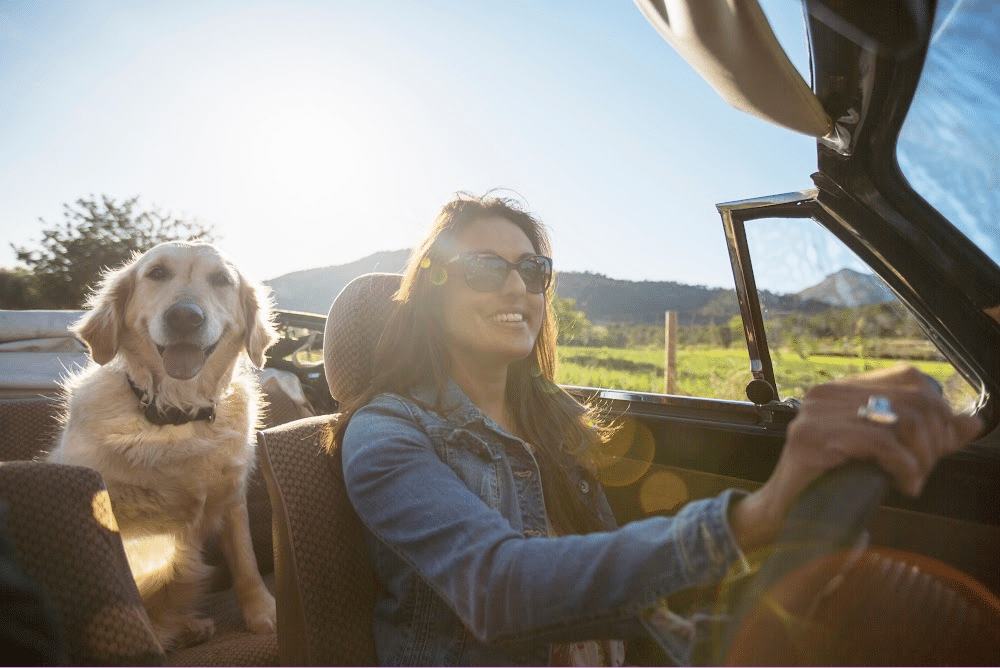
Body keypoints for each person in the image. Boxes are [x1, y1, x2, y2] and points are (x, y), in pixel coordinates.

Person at [334, 192, 982, 666]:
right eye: (485, 269)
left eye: (533, 271)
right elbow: (501, 589)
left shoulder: (552, 420)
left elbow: (609, 595)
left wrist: (721, 636)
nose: (516, 287)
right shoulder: (387, 436)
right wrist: (752, 517)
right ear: (432, 290)